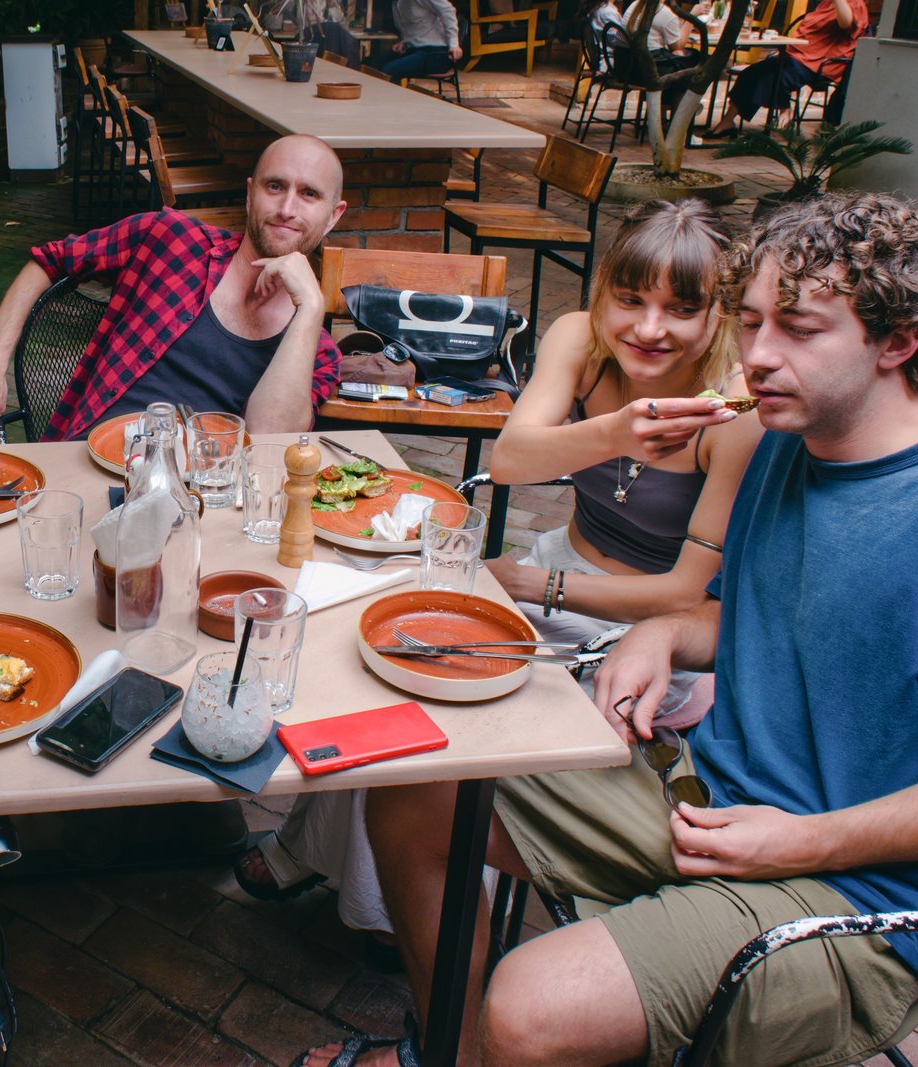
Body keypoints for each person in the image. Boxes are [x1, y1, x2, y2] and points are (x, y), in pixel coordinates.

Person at [297, 190, 918, 1067]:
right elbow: (759, 613)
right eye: (749, 323)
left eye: (800, 329)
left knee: (531, 1006)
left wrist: (806, 838)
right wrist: (667, 635)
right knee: (419, 785)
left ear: (898, 342)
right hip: (713, 801)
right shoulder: (787, 440)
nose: (757, 356)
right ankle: (450, 1050)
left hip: (866, 893)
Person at [240, 200, 762, 941]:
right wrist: (615, 430)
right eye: (632, 299)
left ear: (717, 317)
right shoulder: (580, 339)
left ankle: (395, 912)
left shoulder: (732, 412)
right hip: (557, 564)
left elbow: (683, 592)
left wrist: (540, 585)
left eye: (683, 309)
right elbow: (513, 458)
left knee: (466, 695)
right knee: (390, 650)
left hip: (651, 629)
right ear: (604, 287)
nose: (651, 329)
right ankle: (321, 851)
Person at [0, 134, 349, 443]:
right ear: (250, 195)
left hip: (202, 499)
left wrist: (311, 308)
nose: (287, 209)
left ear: (333, 216)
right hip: (86, 461)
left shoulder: (319, 354)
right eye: (275, 186)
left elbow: (267, 441)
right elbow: (49, 260)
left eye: (309, 194)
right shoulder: (171, 238)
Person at [702, 0, 868, 136]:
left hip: (817, 63)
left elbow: (846, 23)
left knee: (770, 75)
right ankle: (728, 121)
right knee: (751, 73)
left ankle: (784, 109)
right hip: (796, 55)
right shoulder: (826, 4)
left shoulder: (855, 4)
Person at [378, 0, 464, 80]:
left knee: (389, 70)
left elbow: (447, 10)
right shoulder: (396, 3)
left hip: (436, 54)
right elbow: (411, 27)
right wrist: (405, 41)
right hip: (413, 51)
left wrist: (454, 45)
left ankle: (395, 96)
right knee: (373, 63)